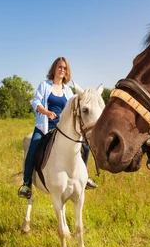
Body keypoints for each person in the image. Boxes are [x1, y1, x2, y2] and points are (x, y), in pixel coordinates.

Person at [18, 57, 97, 199]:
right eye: (60, 67)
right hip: (45, 126)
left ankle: (85, 178)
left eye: (65, 68)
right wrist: (46, 112)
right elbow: (36, 101)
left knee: (85, 147)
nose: (62, 70)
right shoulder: (45, 85)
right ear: (54, 69)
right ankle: (26, 184)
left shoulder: (68, 91)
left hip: (64, 129)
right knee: (33, 148)